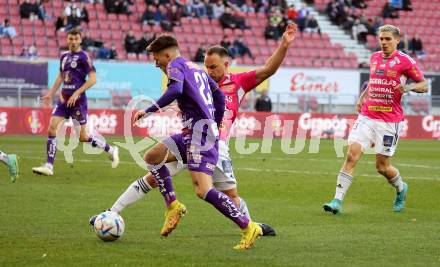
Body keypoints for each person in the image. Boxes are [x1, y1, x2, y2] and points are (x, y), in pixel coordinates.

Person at [89, 24, 297, 244]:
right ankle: (112, 213)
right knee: (153, 171)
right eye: (207, 66)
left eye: (214, 67)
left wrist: (284, 45)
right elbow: (197, 95)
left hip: (214, 143)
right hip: (192, 135)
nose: (210, 71)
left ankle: (251, 225)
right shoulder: (199, 77)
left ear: (227, 65)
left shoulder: (238, 82)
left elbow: (268, 70)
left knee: (227, 195)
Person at [323, 25, 428, 214]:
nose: (384, 42)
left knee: (382, 167)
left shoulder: (405, 61)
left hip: (389, 120)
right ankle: (337, 201)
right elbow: (374, 81)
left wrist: (408, 88)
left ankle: (400, 188)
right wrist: (363, 96)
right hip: (367, 115)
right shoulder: (374, 57)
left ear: (397, 40)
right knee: (351, 155)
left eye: (388, 39)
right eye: (381, 39)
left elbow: (424, 85)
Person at [32, 29, 119, 176]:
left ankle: (110, 149)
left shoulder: (84, 57)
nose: (73, 42)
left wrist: (77, 93)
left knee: (83, 137)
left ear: (80, 40)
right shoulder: (64, 56)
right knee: (52, 129)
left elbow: (93, 79)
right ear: (67, 40)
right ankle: (49, 166)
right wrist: (51, 93)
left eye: (75, 39)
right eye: (70, 39)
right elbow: (61, 76)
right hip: (63, 100)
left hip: (78, 102)